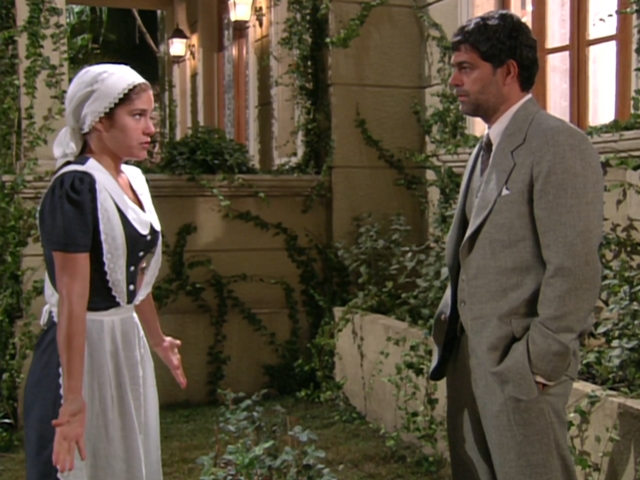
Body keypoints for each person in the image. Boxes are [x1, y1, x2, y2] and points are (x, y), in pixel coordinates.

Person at [428, 10, 603, 480]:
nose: (454, 81)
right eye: (454, 68)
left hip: (520, 372)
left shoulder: (558, 145)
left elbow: (574, 269)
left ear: (508, 71)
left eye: (466, 68)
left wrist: (537, 363)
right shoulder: (485, 148)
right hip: (470, 364)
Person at [23, 63, 187, 480]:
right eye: (137, 116)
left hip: (124, 344)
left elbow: (132, 280)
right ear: (99, 119)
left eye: (151, 116)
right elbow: (73, 300)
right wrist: (73, 400)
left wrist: (157, 339)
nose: (150, 129)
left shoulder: (132, 179)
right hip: (82, 351)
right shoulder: (76, 188)